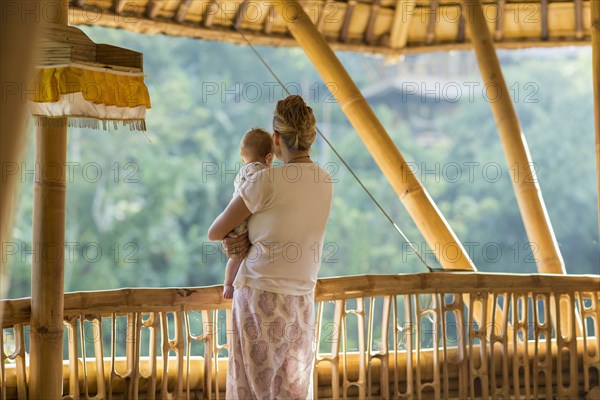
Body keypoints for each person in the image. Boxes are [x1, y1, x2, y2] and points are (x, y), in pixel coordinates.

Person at [208, 95, 333, 399]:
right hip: (302, 298)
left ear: (276, 138)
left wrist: (242, 240)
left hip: (259, 297)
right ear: (309, 137)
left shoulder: (266, 181)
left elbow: (216, 231)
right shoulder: (325, 181)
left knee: (252, 389)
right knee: (292, 391)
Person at [223, 128, 274, 299]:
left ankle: (229, 282)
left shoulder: (242, 170)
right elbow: (257, 186)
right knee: (238, 256)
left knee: (237, 257)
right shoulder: (260, 170)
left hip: (234, 216)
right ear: (269, 157)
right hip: (241, 221)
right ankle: (229, 284)